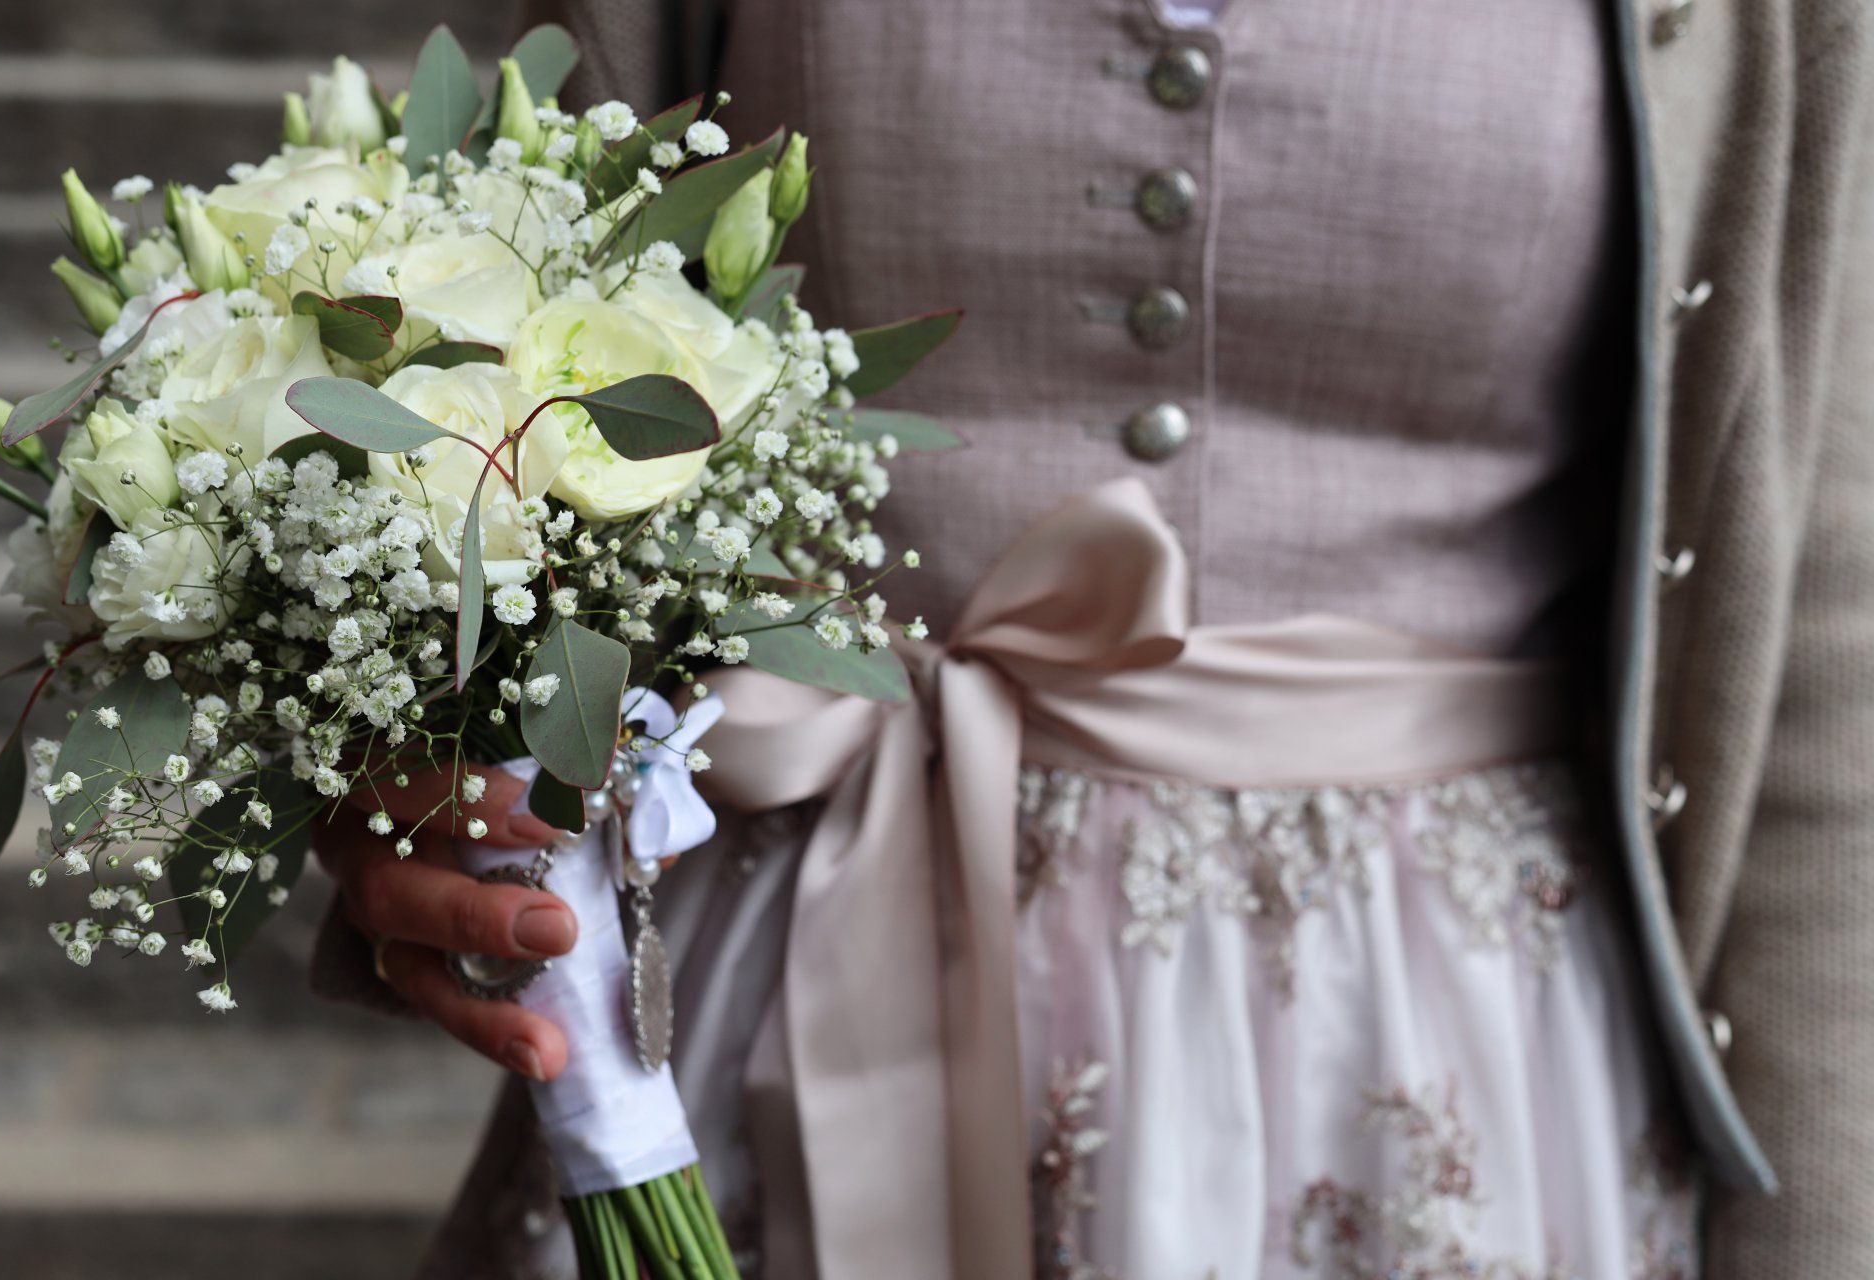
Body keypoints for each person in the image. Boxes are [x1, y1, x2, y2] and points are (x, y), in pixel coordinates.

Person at [312, 1, 1874, 1276]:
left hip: (1430, 1054)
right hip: (781, 990)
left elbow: (1823, 628)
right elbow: (496, 344)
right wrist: (422, 763)